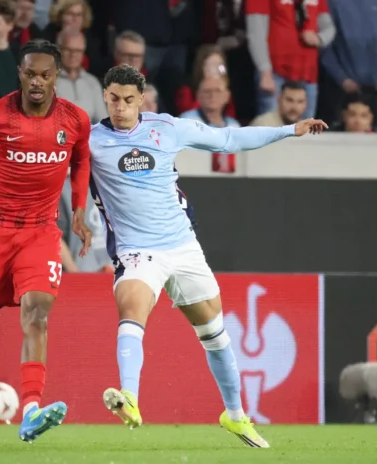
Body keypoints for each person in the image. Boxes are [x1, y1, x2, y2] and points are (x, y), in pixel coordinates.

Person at [90, 64, 327, 448]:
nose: (120, 107)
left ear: (142, 99)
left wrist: (288, 130)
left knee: (215, 334)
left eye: (129, 100)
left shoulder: (167, 128)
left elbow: (229, 138)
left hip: (182, 246)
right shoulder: (90, 140)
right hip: (136, 250)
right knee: (132, 308)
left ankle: (235, 416)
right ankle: (129, 396)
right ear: (105, 96)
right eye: (114, 99)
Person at [0, 39, 93, 448]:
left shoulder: (75, 119)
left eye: (45, 75)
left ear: (56, 76)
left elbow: (82, 159)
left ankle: (30, 413)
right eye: (30, 74)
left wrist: (78, 209)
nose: (37, 82)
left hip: (41, 231)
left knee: (38, 313)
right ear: (20, 74)